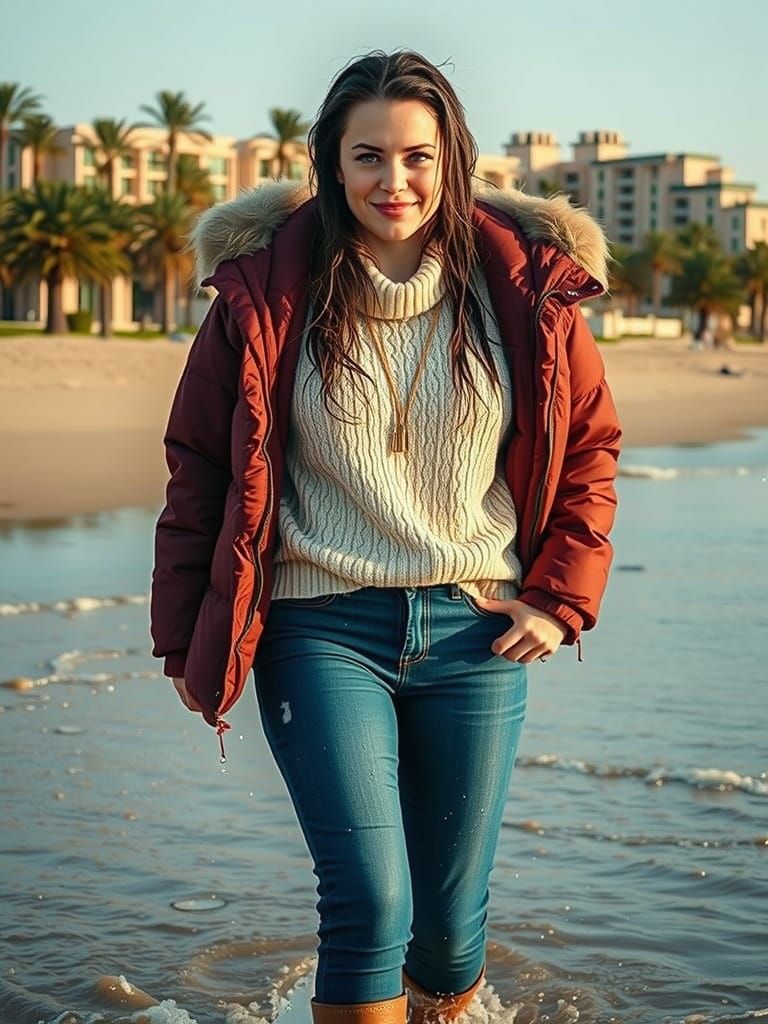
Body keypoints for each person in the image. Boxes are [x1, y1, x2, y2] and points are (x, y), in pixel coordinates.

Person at [150, 49, 621, 1024]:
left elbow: (589, 448)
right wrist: (183, 631)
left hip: (476, 631)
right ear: (330, 161)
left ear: (453, 161)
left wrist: (558, 594)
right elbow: (198, 465)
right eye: (368, 156)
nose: (394, 181)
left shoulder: (524, 289)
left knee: (449, 930)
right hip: (316, 626)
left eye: (417, 157)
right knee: (369, 900)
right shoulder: (264, 291)